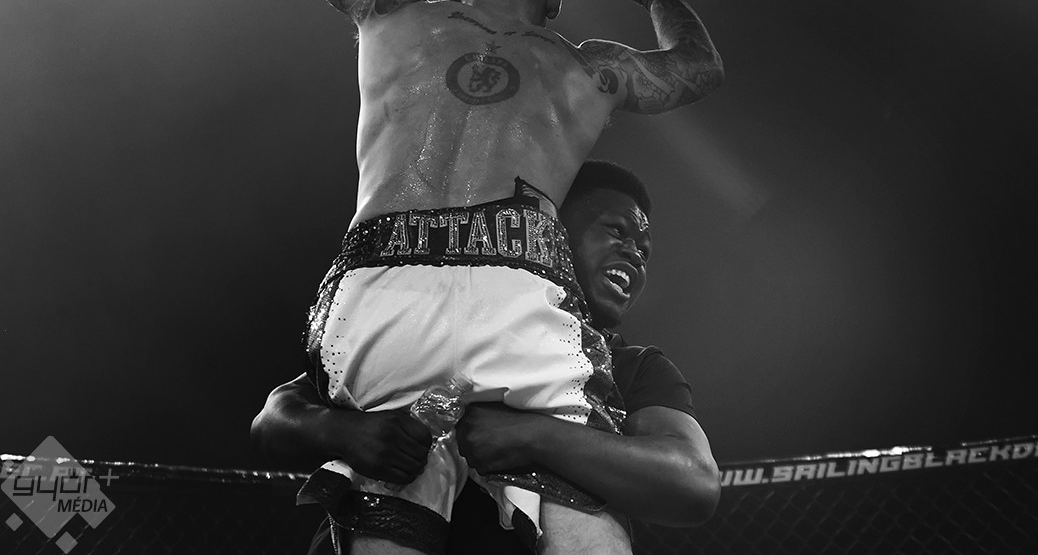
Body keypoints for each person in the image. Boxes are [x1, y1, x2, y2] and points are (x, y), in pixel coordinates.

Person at [277, 0, 723, 555]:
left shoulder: (391, 12)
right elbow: (699, 66)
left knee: (390, 492)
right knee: (585, 512)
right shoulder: (589, 70)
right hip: (517, 282)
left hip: (382, 284)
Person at [252, 161, 721, 554]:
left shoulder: (635, 366)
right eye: (616, 230)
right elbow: (274, 417)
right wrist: (348, 432)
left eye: (644, 250)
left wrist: (532, 436)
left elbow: (693, 482)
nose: (635, 254)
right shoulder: (447, 313)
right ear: (551, 230)